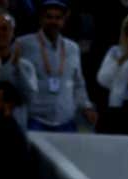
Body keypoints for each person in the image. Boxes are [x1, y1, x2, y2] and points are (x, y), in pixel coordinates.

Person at [18, 0, 96, 132]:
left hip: (65, 119)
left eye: (58, 18)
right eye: (49, 17)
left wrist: (86, 106)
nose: (53, 21)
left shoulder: (72, 48)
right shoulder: (23, 44)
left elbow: (78, 82)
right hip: (35, 119)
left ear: (64, 20)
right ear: (41, 19)